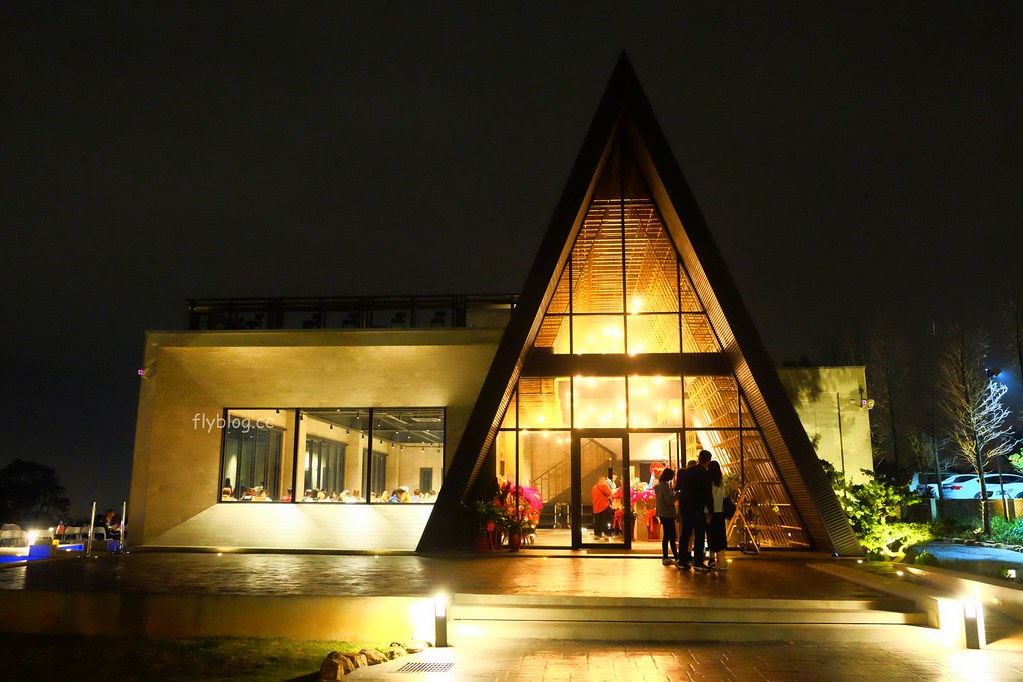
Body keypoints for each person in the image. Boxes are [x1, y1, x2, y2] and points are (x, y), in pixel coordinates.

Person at [675, 450, 714, 570]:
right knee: (699, 535)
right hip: (697, 508)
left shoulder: (687, 472)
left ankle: (682, 560)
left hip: (686, 508)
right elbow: (707, 493)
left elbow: (681, 489)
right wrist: (710, 510)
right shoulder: (705, 474)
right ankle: (698, 562)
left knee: (685, 534)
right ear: (708, 461)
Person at [706, 460, 728, 570]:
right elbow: (724, 497)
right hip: (720, 513)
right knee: (721, 537)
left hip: (711, 513)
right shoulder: (721, 482)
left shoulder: (709, 483)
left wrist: (707, 514)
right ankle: (722, 562)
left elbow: (708, 500)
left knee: (712, 538)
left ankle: (714, 560)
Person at [654, 467, 679, 565]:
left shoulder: (659, 486)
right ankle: (674, 557)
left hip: (662, 513)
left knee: (667, 536)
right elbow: (669, 500)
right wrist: (676, 495)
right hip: (668, 513)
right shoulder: (665, 487)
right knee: (671, 536)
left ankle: (667, 556)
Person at [590, 476, 613, 541]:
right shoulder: (604, 485)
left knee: (597, 521)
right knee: (605, 521)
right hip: (604, 506)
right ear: (604, 480)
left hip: (596, 507)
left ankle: (597, 534)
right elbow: (609, 493)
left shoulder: (594, 487)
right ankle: (606, 534)